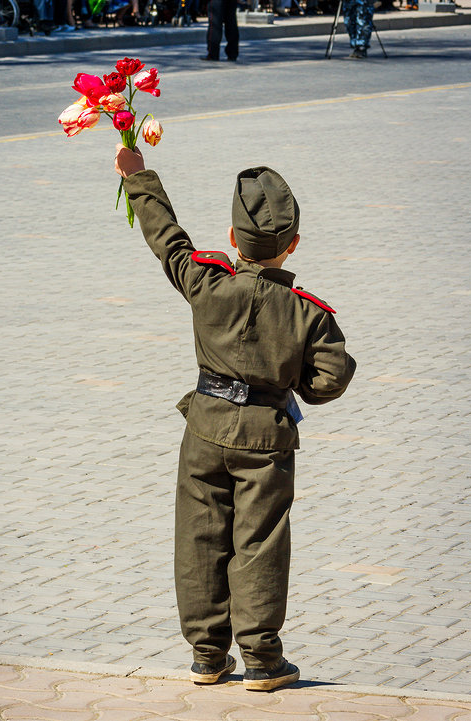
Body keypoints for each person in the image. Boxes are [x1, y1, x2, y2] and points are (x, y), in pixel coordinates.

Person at [113, 146, 356, 691]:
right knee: (260, 543)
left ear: (230, 237)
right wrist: (294, 381)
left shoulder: (206, 281)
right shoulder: (309, 313)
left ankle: (206, 655)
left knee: (199, 538)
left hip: (203, 426)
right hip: (265, 437)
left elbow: (166, 239)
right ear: (293, 244)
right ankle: (263, 661)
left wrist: (137, 176)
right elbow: (333, 377)